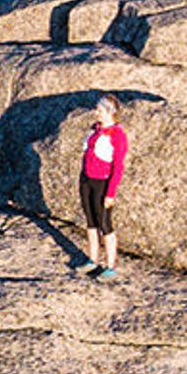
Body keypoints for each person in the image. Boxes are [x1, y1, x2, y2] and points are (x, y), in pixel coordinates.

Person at [79, 96, 129, 279]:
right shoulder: (96, 130)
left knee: (104, 222)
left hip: (102, 182)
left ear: (110, 112)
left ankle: (110, 265)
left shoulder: (117, 135)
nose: (96, 112)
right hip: (86, 179)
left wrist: (111, 193)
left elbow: (118, 166)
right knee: (90, 220)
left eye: (100, 110)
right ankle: (93, 259)